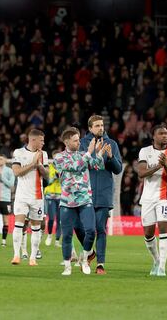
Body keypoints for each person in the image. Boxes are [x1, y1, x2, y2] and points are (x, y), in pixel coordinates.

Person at [54, 127, 109, 276]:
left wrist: (97, 154)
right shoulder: (59, 157)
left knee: (91, 231)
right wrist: (89, 153)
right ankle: (67, 267)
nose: (79, 142)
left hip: (85, 199)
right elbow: (74, 168)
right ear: (66, 142)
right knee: (66, 235)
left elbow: (99, 166)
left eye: (79, 140)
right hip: (67, 201)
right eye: (76, 140)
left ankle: (85, 258)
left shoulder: (82, 154)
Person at [78, 115, 123, 274]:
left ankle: (100, 264)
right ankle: (90, 253)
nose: (100, 128)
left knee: (100, 229)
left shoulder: (112, 144)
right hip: (84, 192)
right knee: (82, 228)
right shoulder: (82, 143)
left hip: (104, 192)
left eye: (102, 125)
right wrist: (92, 153)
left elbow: (118, 169)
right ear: (90, 128)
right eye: (97, 126)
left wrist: (110, 157)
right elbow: (79, 165)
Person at [137, 124, 167, 277]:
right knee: (148, 233)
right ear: (154, 136)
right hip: (148, 198)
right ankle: (156, 260)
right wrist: (158, 166)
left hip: (164, 197)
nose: (165, 136)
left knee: (164, 228)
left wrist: (165, 164)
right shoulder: (145, 151)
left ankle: (162, 266)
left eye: (166, 133)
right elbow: (141, 173)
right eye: (161, 133)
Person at [10, 129, 49, 266]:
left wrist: (39, 165)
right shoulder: (18, 153)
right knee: (19, 224)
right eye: (41, 140)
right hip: (22, 195)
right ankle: (16, 255)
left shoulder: (43, 154)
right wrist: (32, 163)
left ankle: (32, 257)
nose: (43, 143)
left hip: (37, 196)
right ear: (33, 140)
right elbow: (16, 172)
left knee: (36, 227)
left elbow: (47, 175)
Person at [44, 156, 62, 248]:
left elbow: (66, 181)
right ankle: (50, 235)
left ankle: (57, 240)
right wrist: (54, 177)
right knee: (51, 218)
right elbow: (47, 182)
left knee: (60, 220)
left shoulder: (63, 167)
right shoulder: (48, 168)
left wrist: (60, 177)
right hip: (50, 196)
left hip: (60, 197)